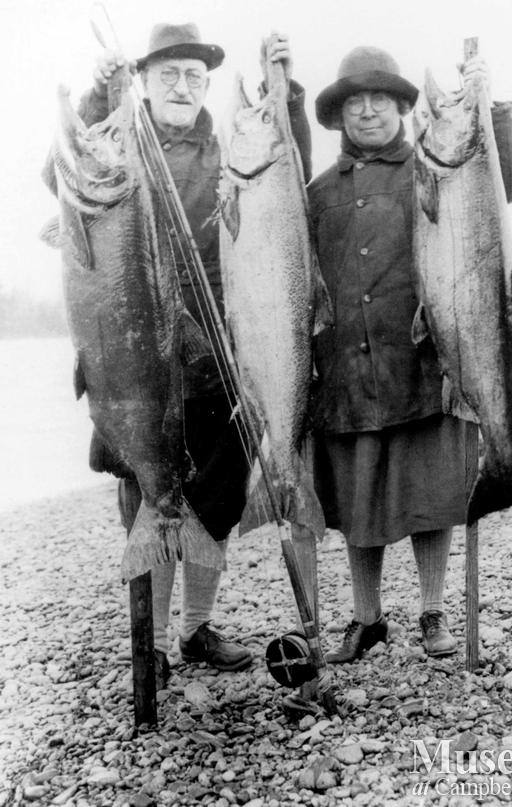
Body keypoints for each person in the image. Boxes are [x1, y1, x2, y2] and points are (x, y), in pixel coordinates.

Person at [78, 23, 312, 687]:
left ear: (207, 85)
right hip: (136, 367)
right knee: (146, 500)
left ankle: (195, 627)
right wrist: (99, 99)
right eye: (168, 75)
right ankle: (146, 641)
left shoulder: (230, 147)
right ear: (144, 82)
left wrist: (284, 94)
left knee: (214, 502)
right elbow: (61, 169)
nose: (182, 87)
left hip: (217, 366)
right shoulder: (123, 141)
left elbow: (287, 182)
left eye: (194, 76)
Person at [306, 47, 512, 663]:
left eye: (380, 99)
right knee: (357, 505)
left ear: (404, 107)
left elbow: (502, 178)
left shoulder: (436, 164)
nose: (368, 111)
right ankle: (367, 619)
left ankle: (432, 612)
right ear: (340, 116)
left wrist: (493, 114)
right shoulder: (318, 192)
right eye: (355, 102)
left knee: (432, 496)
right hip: (347, 373)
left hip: (427, 364)